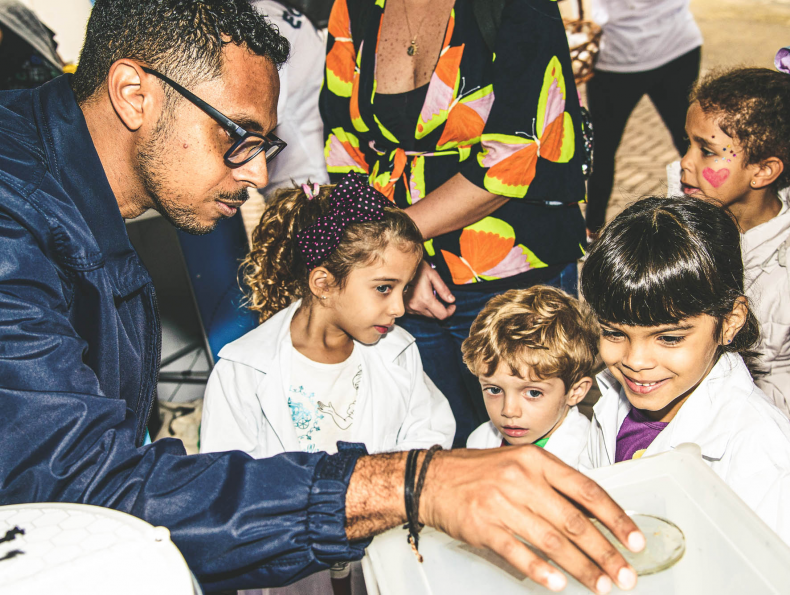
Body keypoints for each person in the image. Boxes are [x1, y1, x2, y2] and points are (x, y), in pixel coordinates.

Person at [0, 1, 647, 593]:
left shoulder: (58, 171)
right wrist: (412, 483)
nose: (255, 176)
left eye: (264, 146)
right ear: (135, 94)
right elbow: (81, 483)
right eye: (239, 137)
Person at [319, 0, 587, 447]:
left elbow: (517, 152)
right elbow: (342, 142)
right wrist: (400, 264)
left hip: (511, 273)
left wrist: (396, 246)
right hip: (400, 283)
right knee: (438, 444)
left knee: (531, 447)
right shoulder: (352, 5)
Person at [201, 175, 454, 595]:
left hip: (384, 551)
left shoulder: (398, 353)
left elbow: (429, 434)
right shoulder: (243, 371)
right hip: (292, 567)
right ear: (323, 284)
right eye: (384, 288)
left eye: (405, 288)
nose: (398, 307)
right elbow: (228, 486)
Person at [578, 196, 790, 545]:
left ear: (730, 321)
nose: (636, 361)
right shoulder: (613, 402)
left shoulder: (763, 457)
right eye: (614, 333)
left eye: (669, 338)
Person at [666, 67, 790, 417]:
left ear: (762, 171)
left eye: (706, 151)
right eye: (688, 143)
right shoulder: (683, 206)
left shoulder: (783, 269)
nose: (685, 162)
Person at [585, 0, 702, 236]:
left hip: (621, 56)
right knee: (693, 143)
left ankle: (591, 233)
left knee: (602, 151)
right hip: (678, 43)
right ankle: (710, 221)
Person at [462, 285, 595, 467]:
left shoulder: (589, 460)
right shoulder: (479, 441)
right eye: (494, 390)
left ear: (575, 391)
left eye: (533, 393)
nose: (508, 411)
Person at [251, 1, 329, 197]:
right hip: (309, 168)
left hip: (300, 180)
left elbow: (263, 117)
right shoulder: (283, 14)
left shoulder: (262, 18)